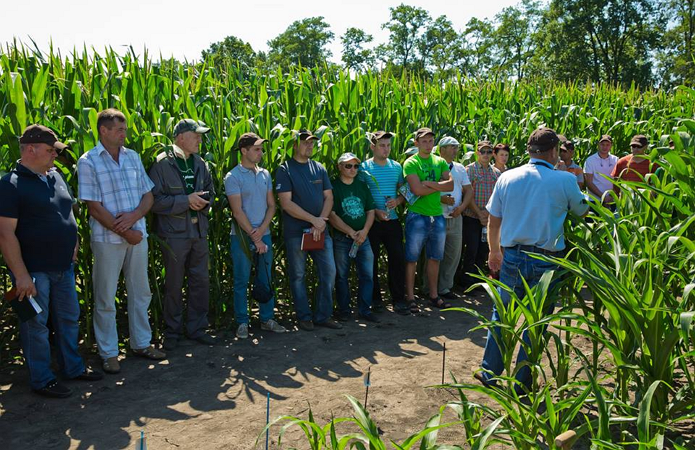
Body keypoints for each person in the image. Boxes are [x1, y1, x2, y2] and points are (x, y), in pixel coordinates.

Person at [475, 127, 589, 392]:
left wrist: (494, 252)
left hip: (511, 255)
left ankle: (489, 372)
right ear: (552, 152)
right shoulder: (564, 180)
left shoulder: (508, 177)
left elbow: (494, 219)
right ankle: (522, 383)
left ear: (529, 151)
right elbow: (582, 211)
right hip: (547, 261)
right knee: (536, 320)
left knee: (502, 314)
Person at [0, 125, 103, 398]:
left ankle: (73, 367)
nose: (54, 156)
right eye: (49, 151)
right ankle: (42, 379)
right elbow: (5, 233)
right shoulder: (10, 184)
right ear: (30, 149)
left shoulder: (55, 176)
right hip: (33, 271)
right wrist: (20, 275)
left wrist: (74, 242)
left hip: (63, 267)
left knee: (69, 318)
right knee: (36, 325)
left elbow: (66, 211)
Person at [78, 108, 165, 375]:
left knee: (141, 292)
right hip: (108, 240)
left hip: (137, 236)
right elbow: (94, 207)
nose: (124, 134)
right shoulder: (89, 161)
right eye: (120, 130)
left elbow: (147, 196)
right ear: (103, 131)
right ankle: (109, 353)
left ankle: (141, 343)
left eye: (124, 129)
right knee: (105, 296)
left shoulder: (133, 157)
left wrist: (134, 218)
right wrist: (125, 230)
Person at [149, 119, 217, 351]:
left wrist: (204, 203)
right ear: (180, 137)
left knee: (200, 281)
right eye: (196, 135)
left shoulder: (201, 163)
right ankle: (172, 332)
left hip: (199, 232)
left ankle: (197, 328)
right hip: (174, 235)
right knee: (174, 284)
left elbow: (212, 191)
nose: (200, 139)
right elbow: (154, 201)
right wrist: (185, 201)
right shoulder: (162, 165)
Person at [275, 129, 342, 331]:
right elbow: (286, 203)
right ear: (295, 145)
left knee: (329, 273)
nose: (310, 146)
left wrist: (320, 222)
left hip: (320, 231)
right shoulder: (285, 169)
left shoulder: (319, 168)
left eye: (312, 142)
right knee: (298, 275)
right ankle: (304, 317)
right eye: (305, 142)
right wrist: (314, 220)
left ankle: (323, 315)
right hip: (297, 233)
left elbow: (329, 197)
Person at [225, 132, 286, 339]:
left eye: (261, 149)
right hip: (241, 238)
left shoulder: (265, 174)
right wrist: (255, 236)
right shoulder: (233, 177)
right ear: (244, 151)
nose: (261, 152)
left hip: (264, 233)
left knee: (266, 279)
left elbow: (272, 205)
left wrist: (262, 231)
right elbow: (237, 211)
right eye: (257, 149)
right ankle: (242, 322)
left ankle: (267, 319)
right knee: (241, 280)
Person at [402, 127, 454, 313]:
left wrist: (430, 184)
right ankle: (410, 297)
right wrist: (438, 186)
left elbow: (451, 184)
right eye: (423, 141)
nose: (428, 144)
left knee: (435, 258)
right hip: (417, 216)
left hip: (437, 216)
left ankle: (433, 295)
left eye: (431, 141)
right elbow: (417, 191)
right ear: (416, 143)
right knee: (411, 259)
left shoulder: (440, 161)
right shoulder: (411, 162)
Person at [359, 131, 409, 315]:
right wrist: (375, 211)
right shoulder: (364, 168)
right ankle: (375, 300)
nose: (386, 149)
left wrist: (397, 201)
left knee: (397, 259)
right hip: (372, 222)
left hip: (393, 221)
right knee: (370, 261)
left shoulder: (396, 167)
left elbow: (404, 190)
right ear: (373, 147)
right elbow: (361, 195)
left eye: (388, 145)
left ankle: (398, 299)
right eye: (382, 145)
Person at [329, 152, 379, 323]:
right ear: (339, 167)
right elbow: (331, 214)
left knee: (367, 275)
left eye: (356, 166)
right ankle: (344, 311)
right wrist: (350, 231)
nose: (352, 169)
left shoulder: (362, 186)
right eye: (348, 166)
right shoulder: (333, 187)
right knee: (341, 276)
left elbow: (370, 211)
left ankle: (365, 310)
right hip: (342, 239)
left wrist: (364, 232)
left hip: (363, 239)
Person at [460, 141, 501, 291]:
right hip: (471, 216)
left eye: (489, 152)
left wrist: (488, 214)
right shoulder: (469, 170)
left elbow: (497, 196)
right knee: (471, 249)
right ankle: (466, 282)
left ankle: (477, 282)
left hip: (488, 219)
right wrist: (479, 213)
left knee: (483, 250)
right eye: (482, 151)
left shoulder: (496, 173)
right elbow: (467, 194)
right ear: (477, 153)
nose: (485, 155)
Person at [437, 137, 473, 300]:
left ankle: (445, 288)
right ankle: (428, 287)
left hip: (456, 216)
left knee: (453, 254)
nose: (455, 150)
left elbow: (469, 190)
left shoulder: (459, 168)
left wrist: (462, 207)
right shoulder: (433, 165)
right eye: (452, 147)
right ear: (441, 149)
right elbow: (424, 187)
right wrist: (440, 199)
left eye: (456, 147)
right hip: (437, 216)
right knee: (435, 254)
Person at [583, 134, 618, 204]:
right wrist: (603, 197)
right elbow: (589, 182)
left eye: (607, 145)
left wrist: (611, 196)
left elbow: (617, 180)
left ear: (611, 146)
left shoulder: (615, 160)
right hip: (595, 200)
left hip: (611, 200)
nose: (605, 147)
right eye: (602, 144)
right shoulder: (590, 160)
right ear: (598, 145)